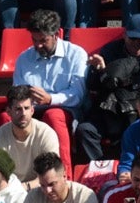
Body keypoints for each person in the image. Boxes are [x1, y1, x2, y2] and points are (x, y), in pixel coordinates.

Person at [74, 16, 140, 162]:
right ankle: (100, 170)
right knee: (85, 130)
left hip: (139, 112)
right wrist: (99, 71)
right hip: (110, 108)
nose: (137, 44)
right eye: (133, 39)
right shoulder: (110, 50)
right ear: (125, 35)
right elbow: (92, 86)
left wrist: (134, 81)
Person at [11, 9, 88, 165]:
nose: (38, 45)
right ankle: (9, 176)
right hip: (31, 110)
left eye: (43, 40)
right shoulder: (24, 58)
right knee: (7, 118)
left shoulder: (76, 54)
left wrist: (50, 99)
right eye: (34, 40)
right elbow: (16, 93)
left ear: (56, 35)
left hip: (65, 110)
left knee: (53, 115)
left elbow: (77, 95)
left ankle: (64, 174)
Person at [0, 85, 61, 183]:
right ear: (8, 111)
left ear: (32, 110)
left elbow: (51, 175)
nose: (23, 113)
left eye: (26, 108)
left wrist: (25, 187)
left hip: (41, 190)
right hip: (10, 192)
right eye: (18, 109)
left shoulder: (46, 134)